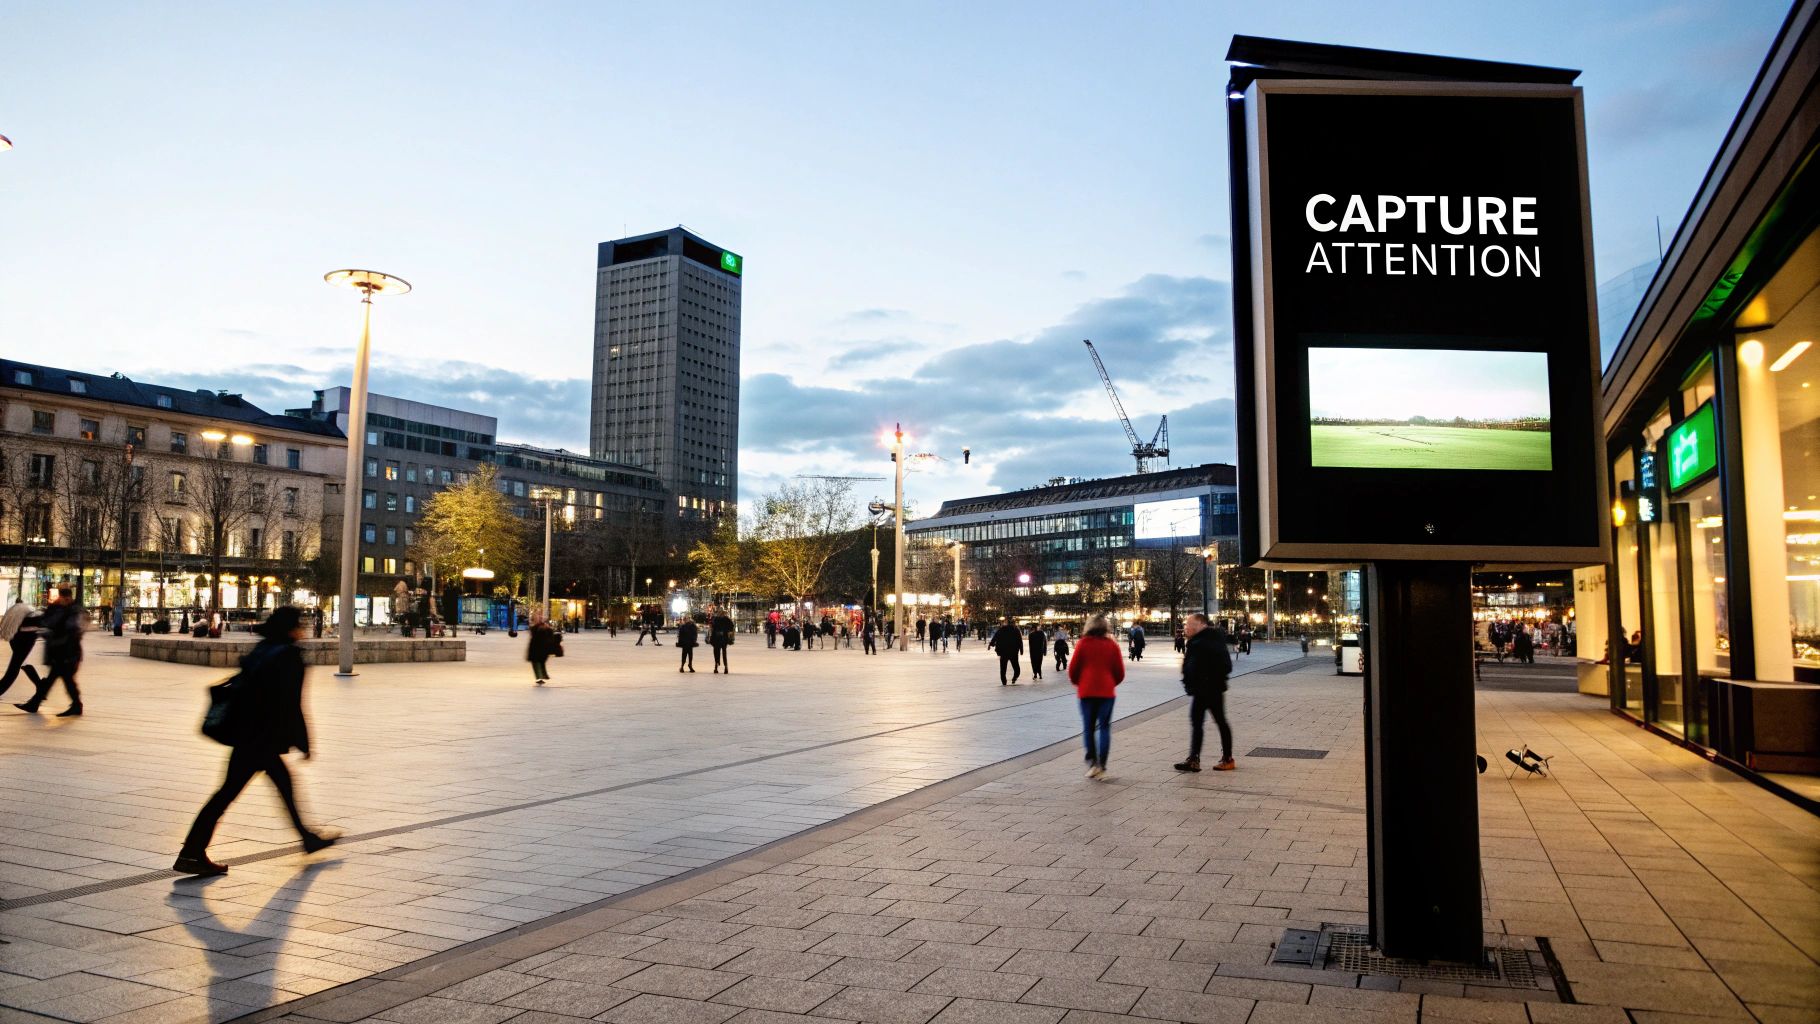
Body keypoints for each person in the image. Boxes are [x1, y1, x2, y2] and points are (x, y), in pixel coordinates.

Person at [174, 606, 338, 876]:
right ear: (290, 628)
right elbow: (291, 704)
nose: (303, 629)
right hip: (262, 739)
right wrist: (305, 742)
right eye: (300, 624)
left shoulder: (264, 649)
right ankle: (191, 852)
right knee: (228, 794)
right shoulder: (289, 656)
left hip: (249, 735)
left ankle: (307, 838)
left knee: (280, 786)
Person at [1174, 613, 1235, 773]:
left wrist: (1206, 679)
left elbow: (1226, 666)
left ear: (1200, 625)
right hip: (1200, 690)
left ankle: (1227, 759)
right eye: (1187, 625)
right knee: (1197, 722)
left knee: (1220, 722)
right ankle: (1194, 759)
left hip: (1211, 689)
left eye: (1190, 625)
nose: (1187, 627)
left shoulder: (1210, 641)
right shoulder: (1197, 641)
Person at [1069, 615, 1124, 778]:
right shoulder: (1112, 646)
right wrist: (1109, 683)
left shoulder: (1082, 644)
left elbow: (1073, 670)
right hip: (1107, 692)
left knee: (1088, 728)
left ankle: (1093, 762)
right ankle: (1103, 764)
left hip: (1086, 692)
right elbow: (1120, 672)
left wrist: (1080, 683)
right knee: (1105, 728)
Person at [16, 586, 84, 717]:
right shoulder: (60, 608)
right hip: (61, 651)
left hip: (68, 652)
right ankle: (36, 703)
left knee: (63, 678)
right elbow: (47, 622)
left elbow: (70, 630)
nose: (64, 600)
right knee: (58, 678)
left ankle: (37, 703)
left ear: (69, 597)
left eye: (65, 598)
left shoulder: (73, 610)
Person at [0, 598, 43, 699]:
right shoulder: (27, 609)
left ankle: (42, 687)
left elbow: (5, 628)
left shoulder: (13, 610)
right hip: (27, 637)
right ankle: (41, 687)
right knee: (22, 663)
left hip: (20, 638)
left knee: (15, 667)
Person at [990, 618, 1023, 685]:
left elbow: (995, 637)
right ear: (1013, 623)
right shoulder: (1016, 630)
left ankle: (1004, 681)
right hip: (1013, 652)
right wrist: (1021, 650)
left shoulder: (1002, 629)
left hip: (1003, 652)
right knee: (1016, 668)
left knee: (1003, 668)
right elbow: (1020, 641)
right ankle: (1014, 678)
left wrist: (992, 644)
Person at [526, 615, 558, 685]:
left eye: (540, 618)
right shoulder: (534, 627)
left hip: (541, 648)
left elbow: (550, 634)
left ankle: (542, 675)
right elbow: (534, 634)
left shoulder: (544, 627)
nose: (540, 619)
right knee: (537, 663)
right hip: (535, 648)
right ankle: (540, 677)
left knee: (540, 663)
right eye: (538, 618)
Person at [709, 606, 735, 674]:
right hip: (717, 638)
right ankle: (717, 665)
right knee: (717, 652)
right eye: (719, 612)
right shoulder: (715, 618)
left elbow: (731, 627)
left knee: (723, 653)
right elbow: (712, 627)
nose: (720, 613)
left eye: (721, 612)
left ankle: (725, 667)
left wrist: (729, 633)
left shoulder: (725, 619)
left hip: (723, 638)